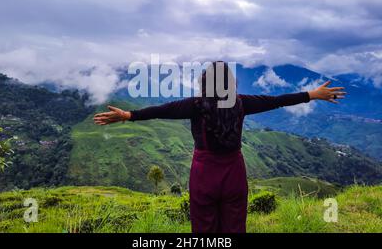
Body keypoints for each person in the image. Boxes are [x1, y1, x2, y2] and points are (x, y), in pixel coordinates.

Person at [93, 61, 346, 233]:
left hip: (204, 175)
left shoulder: (195, 105)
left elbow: (162, 111)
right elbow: (277, 101)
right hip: (234, 174)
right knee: (235, 226)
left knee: (204, 228)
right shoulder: (242, 103)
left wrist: (128, 115)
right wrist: (312, 94)